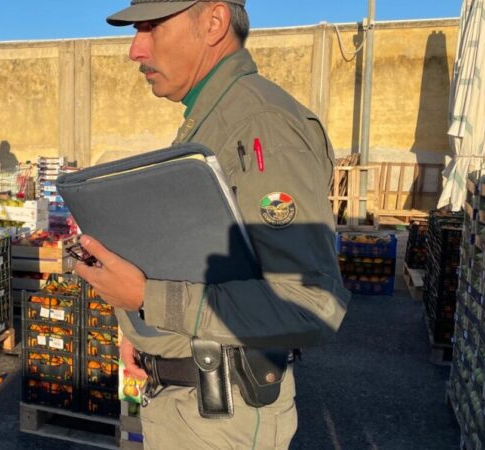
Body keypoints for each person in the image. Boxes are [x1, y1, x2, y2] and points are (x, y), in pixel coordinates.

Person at [74, 1, 352, 449]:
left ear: (214, 23)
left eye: (151, 28)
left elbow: (309, 302)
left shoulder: (261, 125)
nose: (135, 50)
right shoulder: (212, 119)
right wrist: (142, 331)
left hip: (223, 414)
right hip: (190, 402)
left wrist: (148, 298)